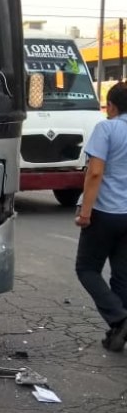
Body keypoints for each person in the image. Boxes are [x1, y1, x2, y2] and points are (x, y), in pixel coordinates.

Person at [75, 81, 127, 352]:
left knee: (86, 269)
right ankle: (117, 331)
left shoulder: (107, 128)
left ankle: (119, 318)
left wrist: (85, 212)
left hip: (106, 212)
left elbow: (95, 173)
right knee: (122, 275)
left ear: (112, 106)